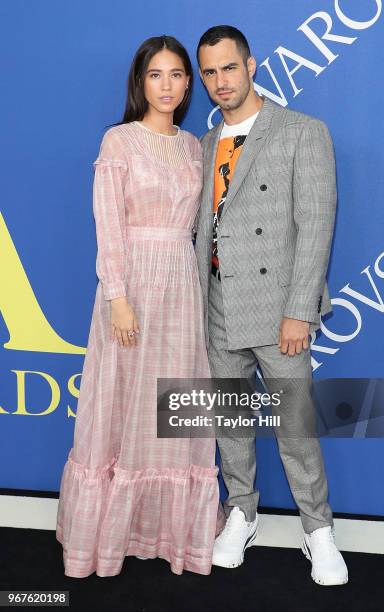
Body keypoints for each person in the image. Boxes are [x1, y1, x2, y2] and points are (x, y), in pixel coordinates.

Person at [56, 35, 222, 578]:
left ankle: (167, 534)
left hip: (181, 290)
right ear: (140, 82)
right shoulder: (119, 142)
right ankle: (104, 537)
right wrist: (117, 298)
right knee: (121, 406)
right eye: (157, 75)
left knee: (172, 410)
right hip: (130, 290)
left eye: (178, 75)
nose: (168, 85)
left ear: (188, 84)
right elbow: (108, 225)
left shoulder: (196, 145)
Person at [194, 25, 349, 586]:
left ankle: (318, 529)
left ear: (252, 65)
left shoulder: (302, 131)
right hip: (216, 305)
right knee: (229, 422)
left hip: (277, 308)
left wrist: (300, 310)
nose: (219, 82)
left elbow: (316, 226)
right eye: (208, 72)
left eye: (228, 68)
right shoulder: (205, 144)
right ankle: (241, 512)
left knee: (296, 426)